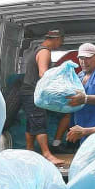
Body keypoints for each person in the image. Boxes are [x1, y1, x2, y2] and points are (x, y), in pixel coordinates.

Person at [20, 28, 65, 166]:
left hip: (27, 91)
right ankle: (47, 155)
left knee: (31, 122)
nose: (61, 43)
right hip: (33, 92)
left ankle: (30, 151)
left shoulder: (38, 49)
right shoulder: (44, 51)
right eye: (61, 40)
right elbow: (43, 74)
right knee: (39, 121)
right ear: (56, 39)